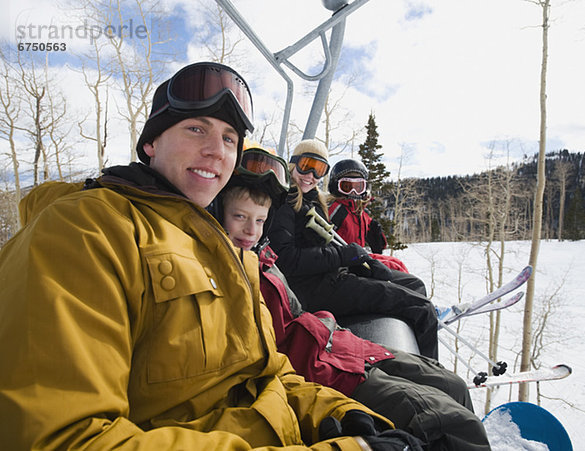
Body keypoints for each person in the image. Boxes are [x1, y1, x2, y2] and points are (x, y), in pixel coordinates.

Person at [0, 62, 420, 450]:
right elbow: (64, 438)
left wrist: (334, 414)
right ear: (151, 142)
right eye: (197, 130)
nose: (217, 151)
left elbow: (268, 372)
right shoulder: (87, 230)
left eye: (229, 138)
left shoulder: (228, 249)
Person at [217, 149, 491, 450]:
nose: (250, 230)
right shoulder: (233, 271)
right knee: (458, 425)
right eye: (240, 217)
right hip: (321, 359)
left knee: (453, 386)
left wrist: (364, 258)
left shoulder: (263, 258)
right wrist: (342, 257)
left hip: (334, 342)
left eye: (258, 221)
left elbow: (294, 311)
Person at [267, 139, 439, 359]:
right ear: (293, 164)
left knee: (413, 284)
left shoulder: (313, 201)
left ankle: (415, 347)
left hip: (331, 277)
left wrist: (362, 263)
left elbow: (329, 245)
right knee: (422, 308)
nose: (310, 175)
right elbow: (287, 260)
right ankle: (429, 375)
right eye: (306, 165)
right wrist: (343, 256)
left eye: (318, 169)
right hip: (314, 290)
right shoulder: (285, 203)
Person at [327, 158, 409, 273]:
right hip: (345, 262)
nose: (353, 192)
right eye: (347, 186)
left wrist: (376, 235)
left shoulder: (358, 211)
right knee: (394, 268)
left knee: (397, 264)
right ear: (336, 187)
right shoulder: (336, 209)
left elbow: (375, 238)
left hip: (359, 257)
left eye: (358, 187)